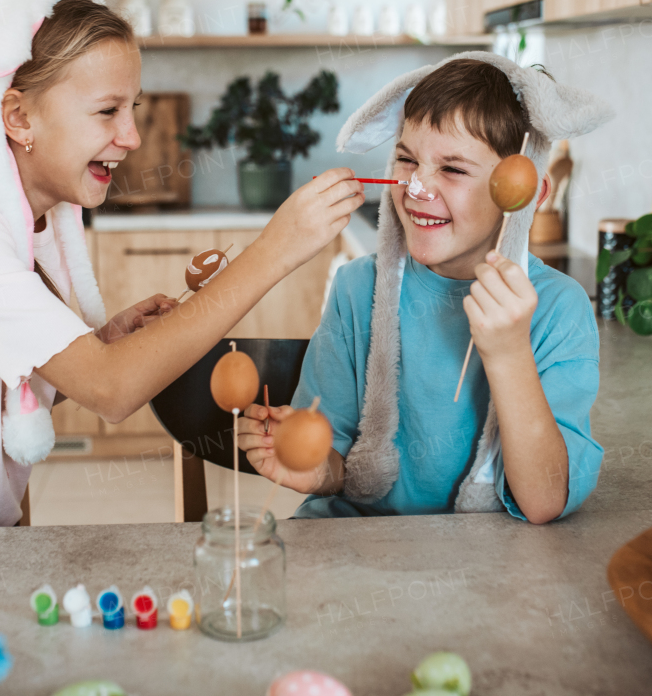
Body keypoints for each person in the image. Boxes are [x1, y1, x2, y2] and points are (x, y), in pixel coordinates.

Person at [0, 0, 363, 529]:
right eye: (107, 111)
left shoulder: (38, 222)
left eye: (133, 109)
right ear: (19, 117)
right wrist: (275, 249)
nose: (132, 137)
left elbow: (29, 388)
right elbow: (111, 389)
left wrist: (98, 346)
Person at [237, 55, 613, 522]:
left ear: (528, 192)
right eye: (407, 159)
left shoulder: (559, 309)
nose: (416, 188)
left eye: (453, 170)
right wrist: (316, 471)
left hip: (484, 565)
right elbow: (336, 465)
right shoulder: (358, 289)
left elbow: (543, 502)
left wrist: (509, 352)